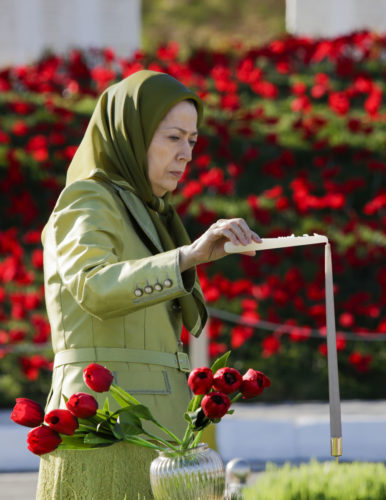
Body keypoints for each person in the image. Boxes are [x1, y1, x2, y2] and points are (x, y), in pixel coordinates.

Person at [36, 70, 261, 499]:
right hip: (105, 427)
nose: (186, 155)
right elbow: (93, 287)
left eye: (192, 141)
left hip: (160, 428)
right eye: (173, 137)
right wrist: (186, 256)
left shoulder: (149, 210)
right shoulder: (89, 197)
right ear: (131, 136)